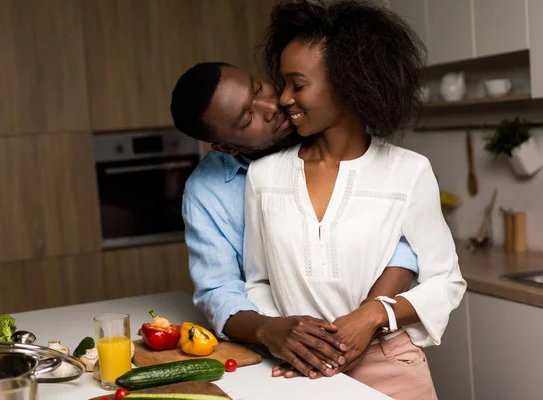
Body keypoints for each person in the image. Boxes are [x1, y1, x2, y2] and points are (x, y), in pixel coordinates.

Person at [242, 0, 467, 398]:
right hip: (299, 373)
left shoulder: (408, 171)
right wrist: (291, 339)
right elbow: (258, 281)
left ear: (348, 83)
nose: (284, 99)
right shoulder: (264, 176)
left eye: (299, 84)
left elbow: (446, 280)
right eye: (284, 84)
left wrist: (372, 315)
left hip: (390, 368)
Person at [170, 60, 420, 378]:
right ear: (225, 147)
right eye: (248, 117)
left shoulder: (336, 131)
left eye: (259, 88)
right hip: (286, 362)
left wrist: (365, 320)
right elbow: (218, 290)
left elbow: (403, 240)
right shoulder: (206, 192)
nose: (272, 106)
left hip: (381, 344)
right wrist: (269, 331)